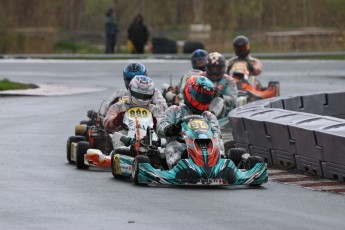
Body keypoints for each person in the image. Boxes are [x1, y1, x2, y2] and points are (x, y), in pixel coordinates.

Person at [157, 75, 224, 169]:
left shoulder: (209, 116)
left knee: (219, 142)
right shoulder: (175, 110)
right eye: (199, 96)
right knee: (174, 147)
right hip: (182, 146)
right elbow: (160, 127)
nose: (201, 100)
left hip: (206, 148)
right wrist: (171, 129)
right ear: (188, 92)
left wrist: (215, 144)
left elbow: (216, 134)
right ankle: (179, 167)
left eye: (205, 98)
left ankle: (220, 165)